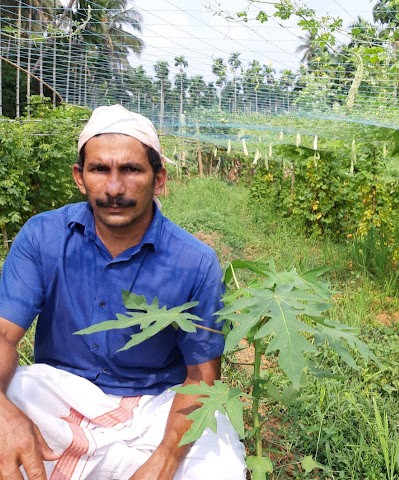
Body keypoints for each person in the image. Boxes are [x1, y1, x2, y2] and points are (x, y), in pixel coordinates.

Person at [0, 105, 246, 479]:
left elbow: (201, 375)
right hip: (59, 393)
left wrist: (165, 460)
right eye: (100, 169)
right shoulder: (42, 237)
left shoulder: (195, 262)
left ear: (159, 179)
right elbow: (3, 335)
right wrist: (3, 414)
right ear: (80, 178)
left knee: (219, 467)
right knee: (13, 398)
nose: (114, 189)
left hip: (158, 405)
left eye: (131, 170)